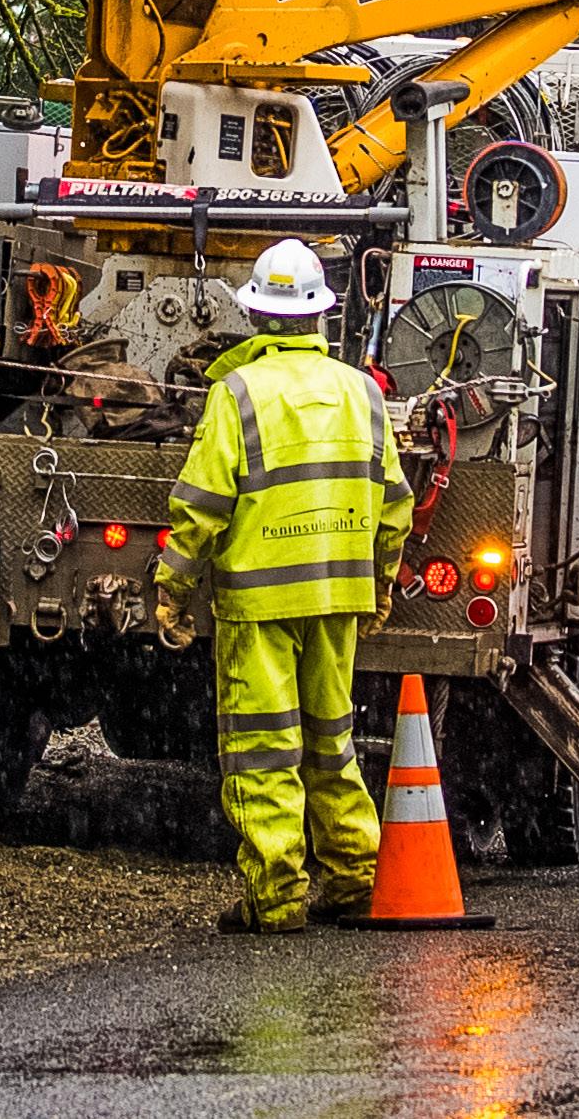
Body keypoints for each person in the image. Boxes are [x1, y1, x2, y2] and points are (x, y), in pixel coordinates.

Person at [153, 238, 414, 932]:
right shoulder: (363, 392)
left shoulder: (237, 392)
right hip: (337, 596)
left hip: (261, 599)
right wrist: (382, 583)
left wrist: (174, 587)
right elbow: (394, 501)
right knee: (332, 740)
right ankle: (355, 879)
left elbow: (203, 505)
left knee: (263, 750)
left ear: (254, 316)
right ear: (320, 315)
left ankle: (274, 898)